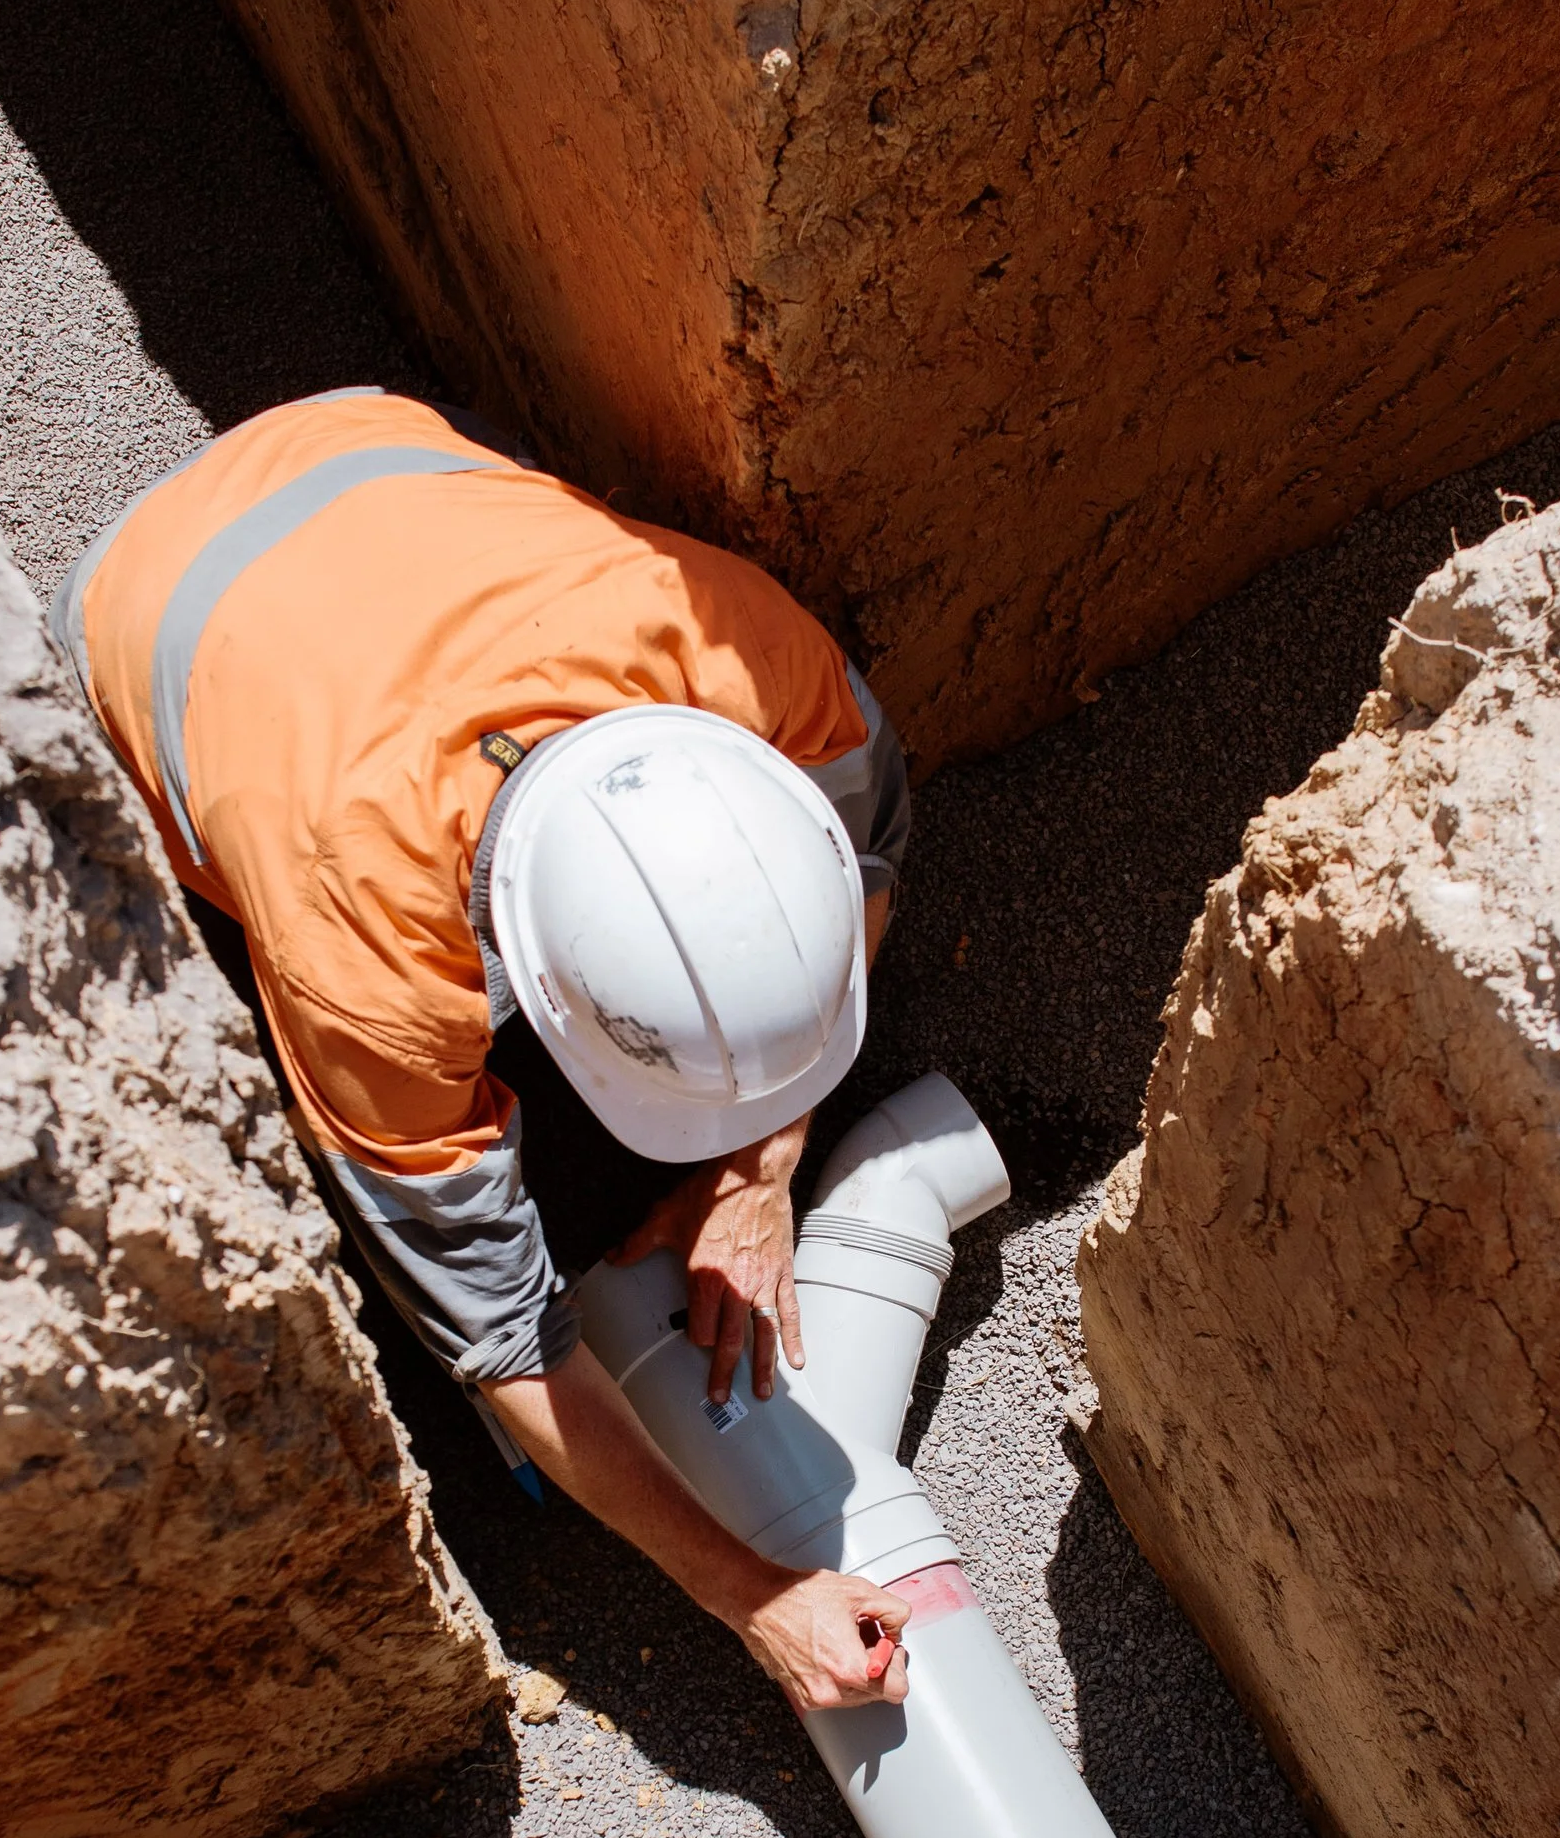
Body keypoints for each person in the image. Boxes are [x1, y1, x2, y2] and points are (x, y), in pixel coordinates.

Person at [54, 385, 915, 1712]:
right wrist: (758, 1599)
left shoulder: (753, 653)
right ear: (532, 978)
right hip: (144, 607)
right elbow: (505, 1336)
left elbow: (868, 852)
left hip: (362, 438)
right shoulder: (374, 966)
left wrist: (759, 1170)